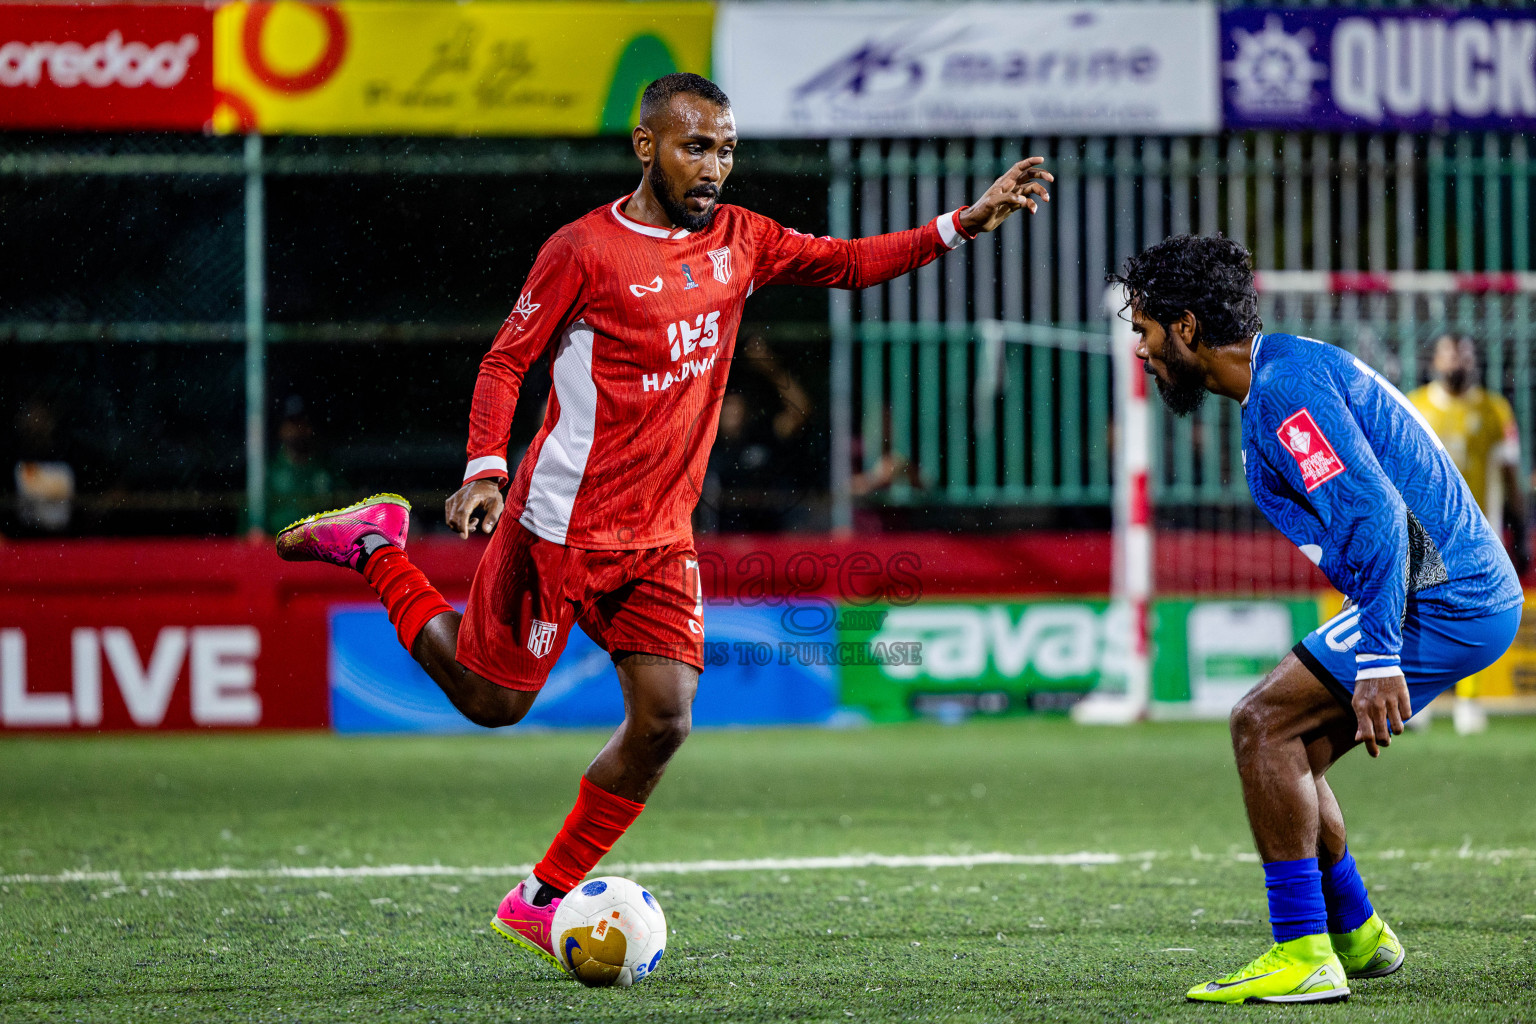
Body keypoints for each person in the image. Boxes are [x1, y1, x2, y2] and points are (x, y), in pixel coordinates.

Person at [275, 72, 1052, 973]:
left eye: (725, 147)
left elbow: (848, 261)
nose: (714, 165)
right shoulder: (583, 251)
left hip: (658, 539)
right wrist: (486, 469)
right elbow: (505, 363)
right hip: (557, 527)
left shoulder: (742, 240)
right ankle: (375, 546)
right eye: (695, 146)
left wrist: (964, 222)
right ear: (647, 148)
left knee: (665, 720)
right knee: (493, 702)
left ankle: (538, 899)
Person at [1117, 235, 1522, 1005]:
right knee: (1289, 745)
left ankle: (1303, 951)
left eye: (1144, 329)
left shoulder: (1282, 390)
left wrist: (1377, 659)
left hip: (1444, 596)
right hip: (1452, 589)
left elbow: (1373, 513)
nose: (1140, 348)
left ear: (1189, 327)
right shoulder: (1282, 372)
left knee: (1259, 725)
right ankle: (1359, 935)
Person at [1408, 334, 1530, 733]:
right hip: (1424, 531)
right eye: (1449, 353)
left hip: (1479, 533)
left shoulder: (1494, 409)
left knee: (1472, 611)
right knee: (1422, 612)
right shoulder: (1415, 404)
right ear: (1435, 360)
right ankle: (1420, 699)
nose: (1456, 361)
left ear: (1475, 360)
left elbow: (1510, 474)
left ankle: (1469, 701)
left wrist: (1523, 529)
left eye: (1463, 353)